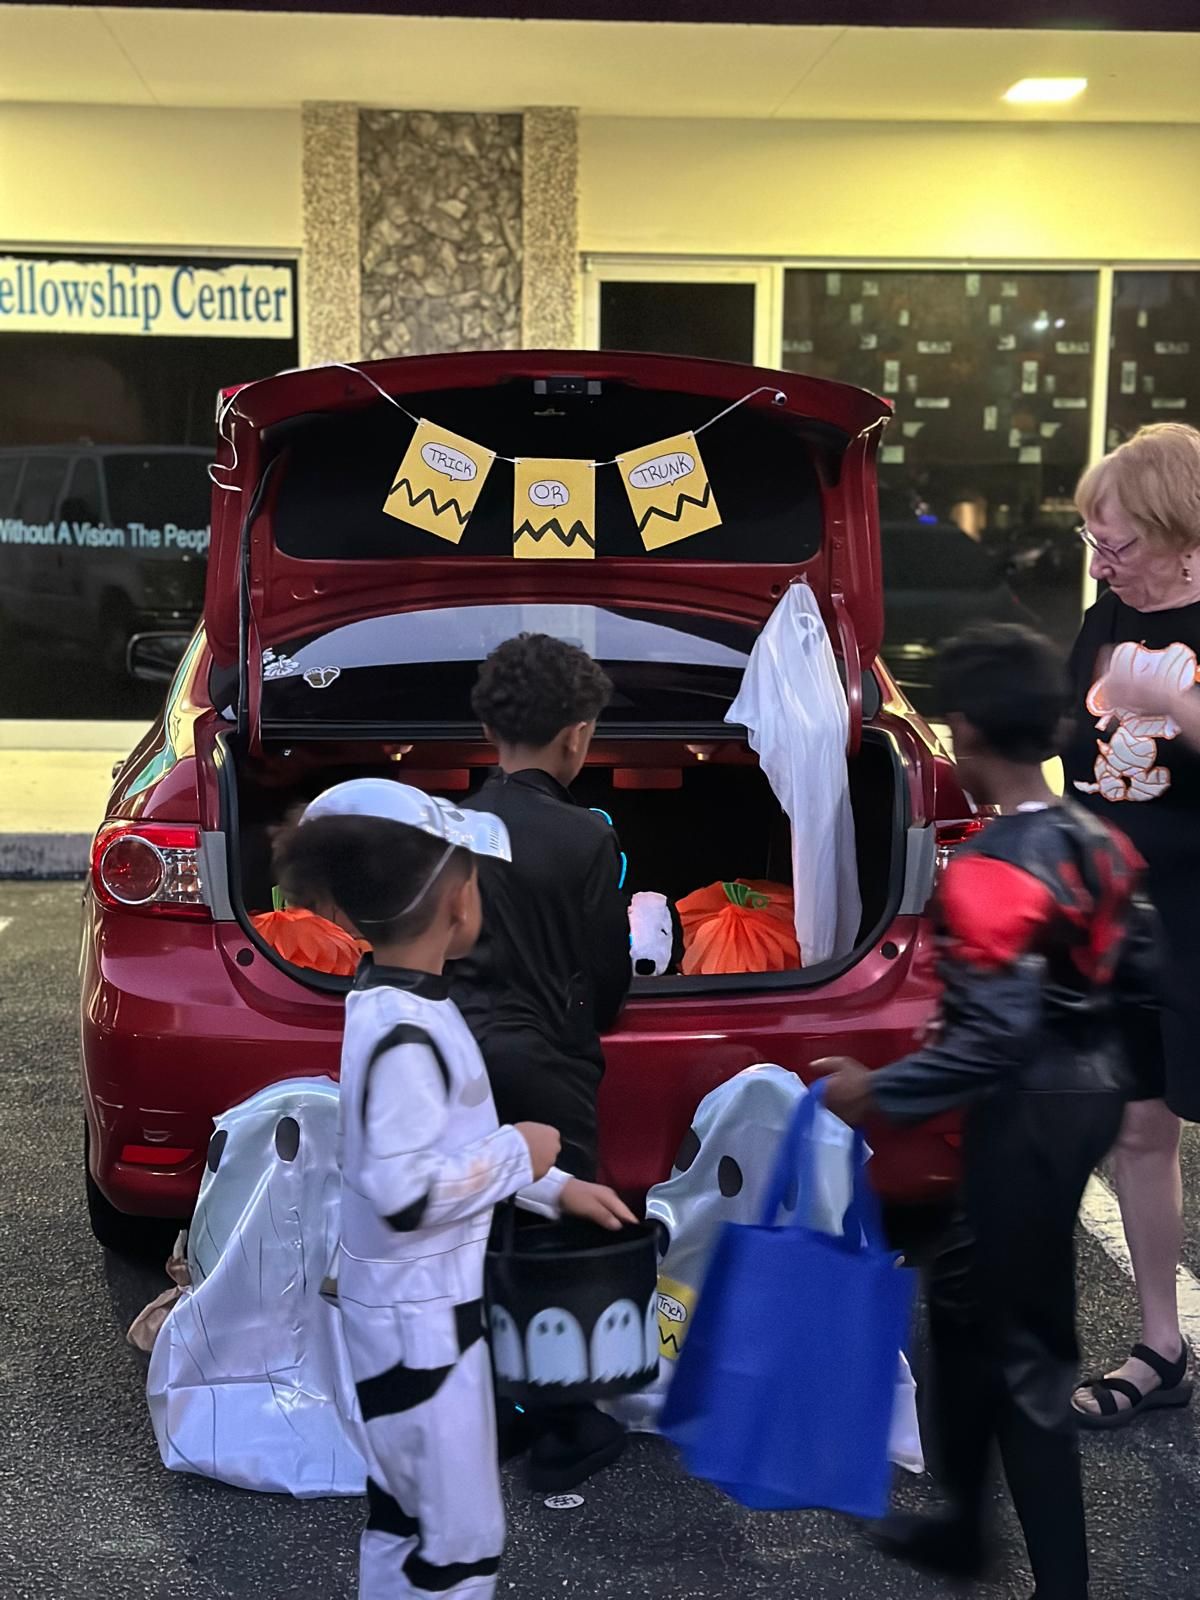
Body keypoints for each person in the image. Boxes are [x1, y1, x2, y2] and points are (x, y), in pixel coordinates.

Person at [819, 624, 1159, 1600]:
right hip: (1086, 1095)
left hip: (1028, 1110)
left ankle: (1054, 1580)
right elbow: (1137, 972)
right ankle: (962, 1526)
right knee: (966, 1315)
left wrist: (875, 1090)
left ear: (964, 732)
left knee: (1025, 1358)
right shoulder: (1102, 838)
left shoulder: (988, 869)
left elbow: (995, 1036)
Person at [273, 778, 634, 1600]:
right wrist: (522, 1148)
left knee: (407, 1522)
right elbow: (404, 1191)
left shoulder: (404, 1002)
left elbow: (445, 1152)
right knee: (458, 1541)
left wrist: (556, 1185)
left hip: (413, 1314)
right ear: (456, 901)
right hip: (415, 1329)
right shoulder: (404, 1031)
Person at [450, 631, 634, 1491]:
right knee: (564, 1232)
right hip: (551, 1053)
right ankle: (565, 1419)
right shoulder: (584, 839)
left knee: (475, 1225)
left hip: (459, 1049)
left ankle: (490, 1406)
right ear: (577, 737)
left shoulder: (449, 828)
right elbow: (605, 970)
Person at [1064, 422, 1200, 1428]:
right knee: (1140, 1128)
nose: (1103, 564)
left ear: (1180, 526)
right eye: (1092, 542)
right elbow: (1085, 759)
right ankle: (1163, 1344)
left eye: (1120, 545)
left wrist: (1185, 709)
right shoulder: (1105, 616)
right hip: (1127, 916)